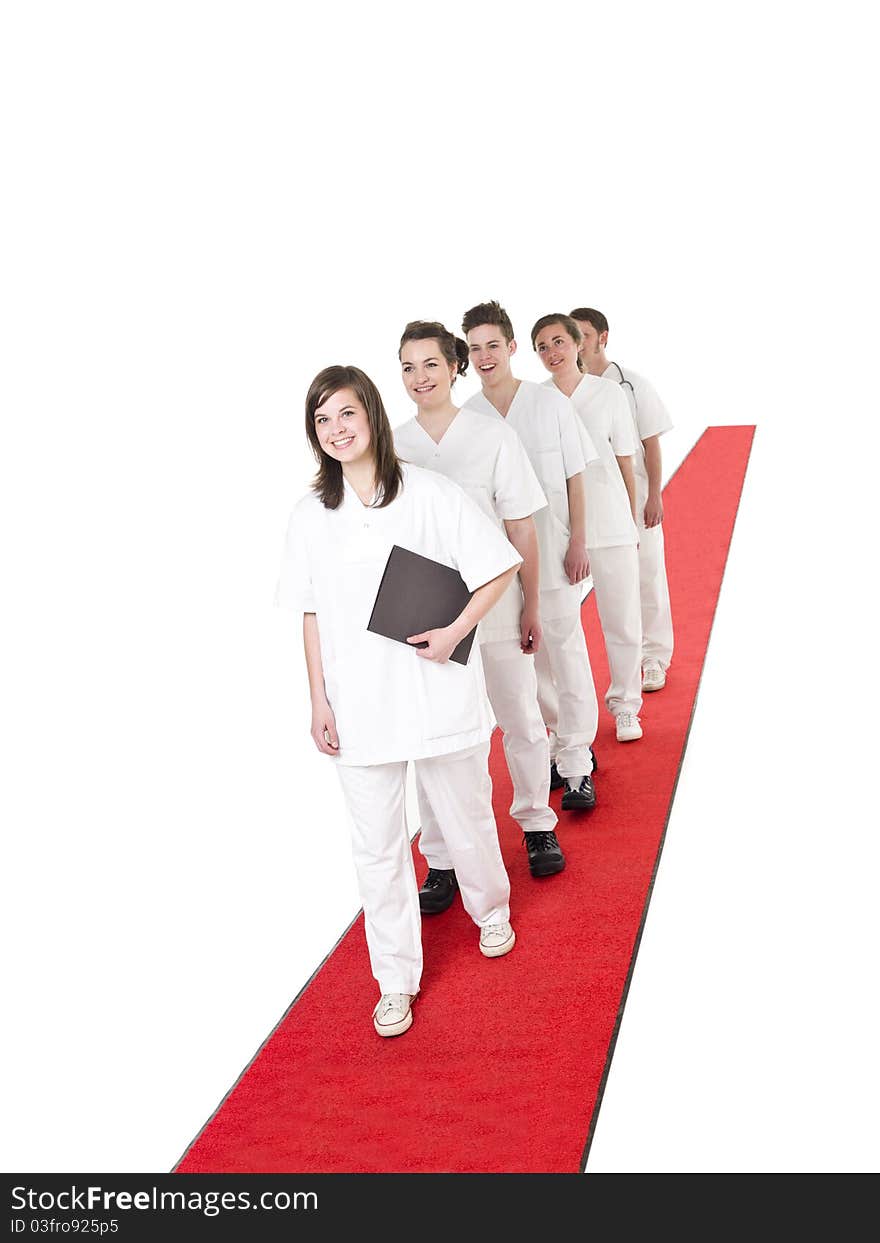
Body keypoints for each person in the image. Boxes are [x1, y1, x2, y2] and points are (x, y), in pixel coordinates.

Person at [276, 365, 522, 1039]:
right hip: (358, 707)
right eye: (322, 420)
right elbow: (309, 613)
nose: (336, 430)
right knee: (376, 848)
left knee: (464, 815)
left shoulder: (430, 493)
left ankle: (491, 910)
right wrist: (317, 700)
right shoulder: (310, 516)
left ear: (373, 417)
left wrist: (453, 633)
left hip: (435, 688)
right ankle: (395, 978)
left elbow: (498, 565)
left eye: (346, 414)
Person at [393, 320, 567, 902]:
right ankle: (440, 857)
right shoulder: (394, 445)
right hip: (426, 613)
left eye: (431, 365)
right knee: (436, 738)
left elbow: (521, 526)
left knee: (519, 717)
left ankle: (538, 823)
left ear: (453, 367)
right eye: (408, 367)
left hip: (494, 602)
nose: (420, 377)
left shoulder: (492, 438)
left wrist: (532, 603)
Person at [460, 299, 600, 811]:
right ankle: (557, 746)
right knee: (529, 660)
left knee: (566, 652)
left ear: (511, 347)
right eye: (474, 349)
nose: (484, 356)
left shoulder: (548, 405)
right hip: (498, 566)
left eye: (493, 345)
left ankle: (579, 760)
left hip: (557, 548)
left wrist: (578, 539)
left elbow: (575, 475)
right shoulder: (467, 417)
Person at [531, 314, 644, 743]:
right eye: (542, 346)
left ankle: (626, 705)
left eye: (558, 341)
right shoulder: (535, 400)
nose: (552, 352)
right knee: (556, 631)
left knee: (621, 620)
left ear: (579, 343)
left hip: (610, 521)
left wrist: (631, 522)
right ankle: (563, 722)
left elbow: (624, 461)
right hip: (558, 530)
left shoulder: (609, 394)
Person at [570, 307, 674, 690]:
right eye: (571, 335)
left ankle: (655, 657)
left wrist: (654, 497)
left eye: (583, 334)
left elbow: (650, 443)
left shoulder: (631, 385)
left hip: (636, 495)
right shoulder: (565, 387)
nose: (577, 343)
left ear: (603, 337)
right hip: (585, 504)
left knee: (647, 577)